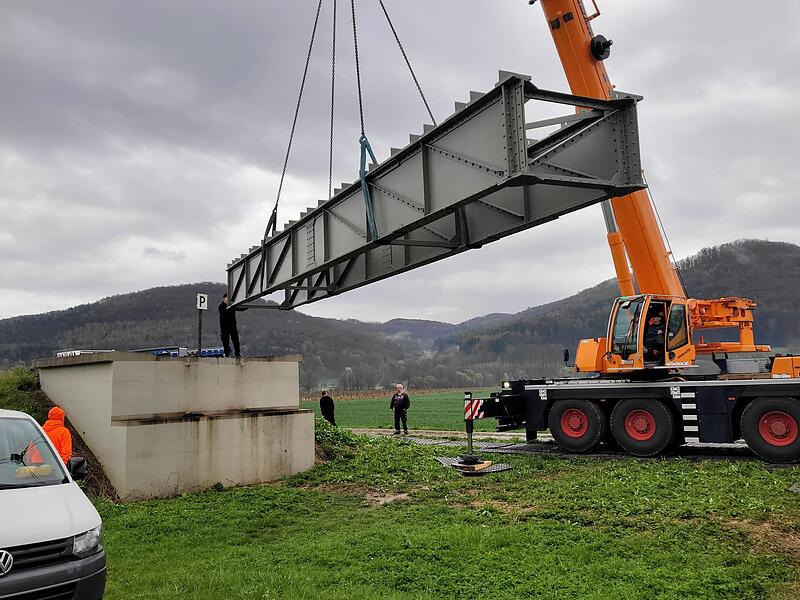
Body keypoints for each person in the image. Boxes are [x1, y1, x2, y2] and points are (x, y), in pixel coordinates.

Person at [218, 293, 243, 358]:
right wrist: (230, 307)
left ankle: (237, 353)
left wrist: (245, 306)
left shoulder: (232, 305)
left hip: (232, 326)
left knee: (236, 340)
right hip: (224, 327)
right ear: (224, 298)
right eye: (227, 298)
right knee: (225, 341)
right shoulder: (221, 306)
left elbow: (239, 309)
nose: (228, 299)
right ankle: (227, 355)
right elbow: (223, 312)